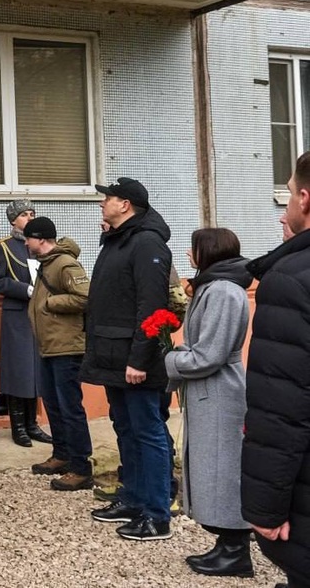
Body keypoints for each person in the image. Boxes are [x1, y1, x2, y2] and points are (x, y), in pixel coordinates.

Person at [81, 177, 174, 541]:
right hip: (112, 355)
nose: (102, 203)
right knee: (126, 428)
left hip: (134, 361)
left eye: (109, 198)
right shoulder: (118, 240)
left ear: (126, 205)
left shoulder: (147, 242)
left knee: (147, 431)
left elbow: (150, 306)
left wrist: (139, 358)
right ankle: (133, 498)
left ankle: (157, 513)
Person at [163, 228, 254, 578]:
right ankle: (226, 543)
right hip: (209, 390)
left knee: (222, 468)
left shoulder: (222, 291)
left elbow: (210, 354)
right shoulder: (216, 286)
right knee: (213, 465)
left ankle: (235, 549)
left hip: (218, 390)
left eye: (194, 247)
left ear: (209, 251)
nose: (189, 253)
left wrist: (170, 361)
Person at [242, 151, 310, 588]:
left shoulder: (290, 279)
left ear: (305, 199)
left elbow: (281, 406)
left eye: (287, 195)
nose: (284, 207)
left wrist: (265, 508)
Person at [23, 217, 93, 492]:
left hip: (67, 347)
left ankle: (81, 467)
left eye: (28, 238)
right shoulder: (47, 265)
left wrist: (51, 302)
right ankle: (61, 454)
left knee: (70, 407)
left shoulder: (64, 264)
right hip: (49, 346)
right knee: (53, 403)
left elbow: (87, 297)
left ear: (40, 239)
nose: (25, 242)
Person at [0, 199, 51, 447]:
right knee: (19, 370)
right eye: (24, 214)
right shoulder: (3, 247)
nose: (29, 217)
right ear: (13, 220)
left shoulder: (40, 245)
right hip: (17, 314)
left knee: (36, 370)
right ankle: (18, 427)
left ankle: (32, 424)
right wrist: (24, 290)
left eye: (32, 213)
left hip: (40, 314)